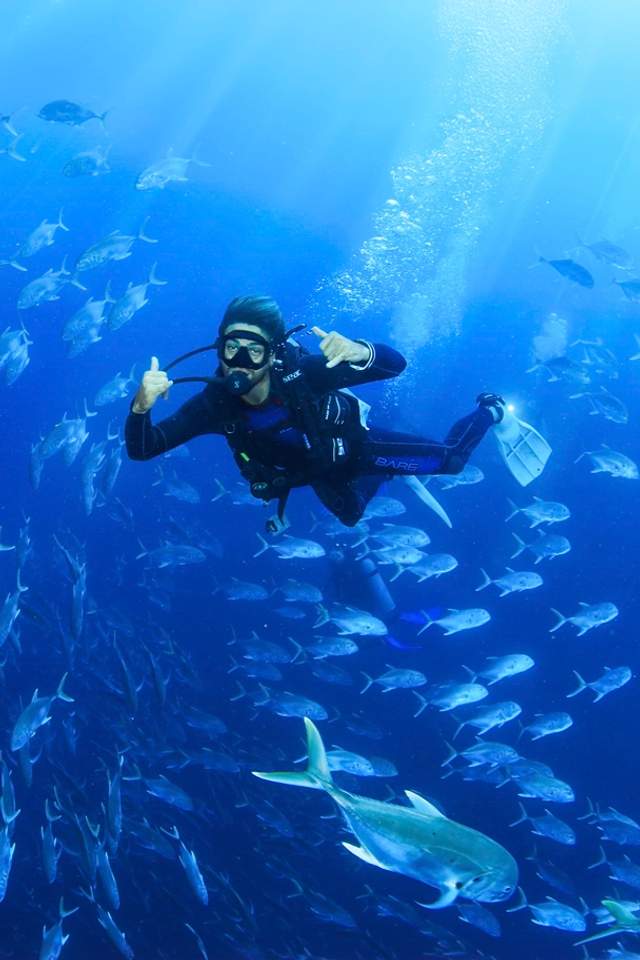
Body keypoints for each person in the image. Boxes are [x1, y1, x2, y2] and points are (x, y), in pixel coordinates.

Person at [125, 295, 545, 527]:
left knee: (451, 462)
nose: (239, 362)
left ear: (272, 355)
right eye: (231, 348)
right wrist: (140, 408)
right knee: (350, 517)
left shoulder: (304, 375)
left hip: (357, 448)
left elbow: (396, 365)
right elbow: (144, 448)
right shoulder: (213, 405)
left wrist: (359, 351)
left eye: (254, 352)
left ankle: (491, 411)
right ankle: (390, 474)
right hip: (315, 469)